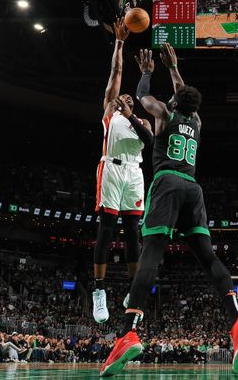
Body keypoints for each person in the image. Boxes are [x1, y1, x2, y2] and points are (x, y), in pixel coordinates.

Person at [100, 44, 238, 377]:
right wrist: (173, 68)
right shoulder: (196, 121)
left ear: (173, 102)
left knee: (151, 256)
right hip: (193, 189)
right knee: (209, 257)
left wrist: (146, 73)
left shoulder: (164, 113)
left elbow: (143, 96)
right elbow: (182, 92)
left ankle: (128, 332)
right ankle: (237, 318)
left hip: (167, 183)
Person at [93, 18, 154, 324]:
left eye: (131, 98)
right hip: (112, 169)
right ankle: (99, 290)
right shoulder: (110, 114)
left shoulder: (141, 122)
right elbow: (116, 73)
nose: (127, 97)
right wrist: (119, 43)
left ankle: (133, 291)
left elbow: (150, 141)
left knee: (133, 233)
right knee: (107, 228)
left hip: (135, 174)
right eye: (123, 97)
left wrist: (132, 116)